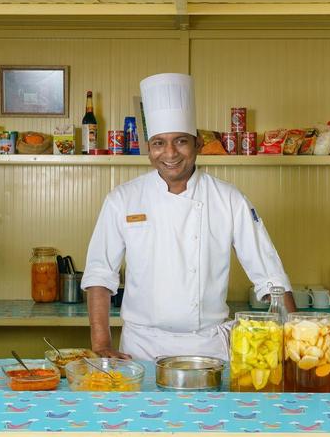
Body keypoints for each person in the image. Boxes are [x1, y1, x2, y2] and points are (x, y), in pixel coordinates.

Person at [81, 73, 294, 360]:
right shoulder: (122, 199)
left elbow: (271, 278)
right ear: (149, 150)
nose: (170, 153)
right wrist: (101, 346)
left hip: (208, 349)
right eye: (159, 143)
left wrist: (296, 343)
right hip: (140, 348)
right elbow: (99, 274)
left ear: (198, 145)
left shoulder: (229, 199)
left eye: (180, 141)